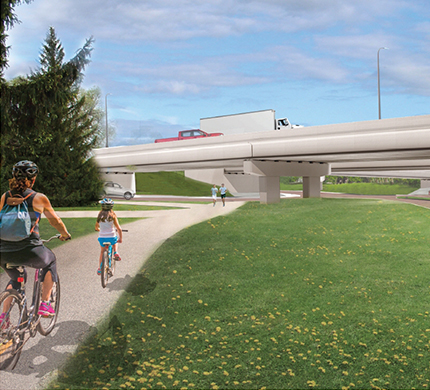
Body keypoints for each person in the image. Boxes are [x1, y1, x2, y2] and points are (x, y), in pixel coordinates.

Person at [0, 160, 71, 321]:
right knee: (50, 261)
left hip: (3, 251)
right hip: (29, 250)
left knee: (16, 278)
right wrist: (65, 234)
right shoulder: (39, 198)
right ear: (33, 179)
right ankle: (45, 303)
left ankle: (3, 318)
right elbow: (55, 221)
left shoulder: (5, 196)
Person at [95, 198, 123, 275]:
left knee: (102, 252)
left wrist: (98, 229)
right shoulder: (113, 215)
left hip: (102, 238)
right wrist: (120, 238)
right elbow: (119, 228)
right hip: (111, 237)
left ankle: (100, 269)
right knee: (116, 241)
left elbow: (96, 227)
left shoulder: (100, 215)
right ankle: (116, 252)